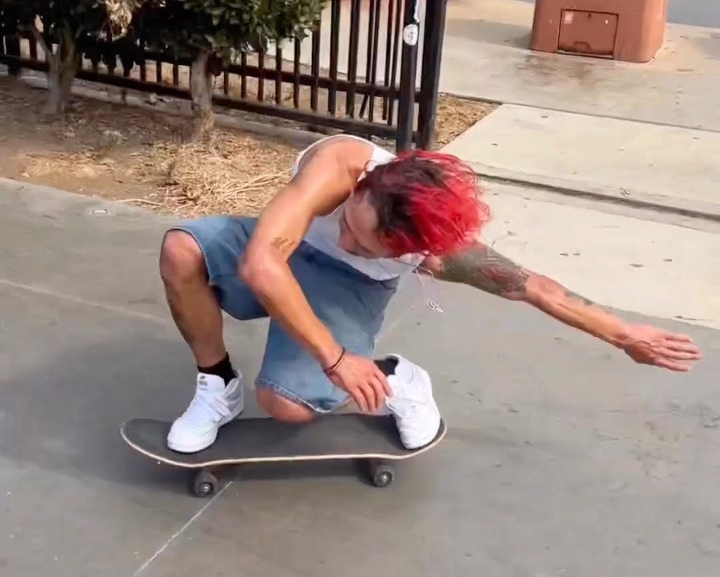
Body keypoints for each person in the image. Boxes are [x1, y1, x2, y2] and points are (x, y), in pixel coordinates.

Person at [159, 134, 702, 453]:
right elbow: (261, 263)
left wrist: (624, 335)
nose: (347, 240)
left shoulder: (440, 251)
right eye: (349, 223)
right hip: (280, 247)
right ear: (361, 187)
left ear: (415, 252)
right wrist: (337, 359)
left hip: (346, 288)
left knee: (287, 405)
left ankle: (397, 378)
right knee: (183, 250)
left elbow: (535, 289)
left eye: (365, 245)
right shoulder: (340, 165)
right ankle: (218, 384)